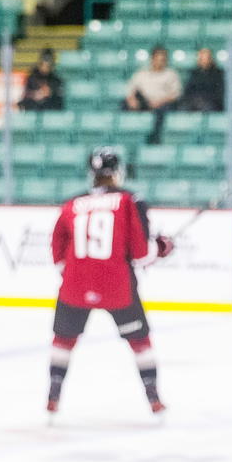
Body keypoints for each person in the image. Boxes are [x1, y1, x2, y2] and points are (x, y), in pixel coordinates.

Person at [47, 147, 174, 418]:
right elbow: (141, 254)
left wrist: (75, 272)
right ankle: (153, 397)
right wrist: (161, 247)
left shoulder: (72, 203)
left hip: (75, 284)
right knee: (139, 340)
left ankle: (53, 395)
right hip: (117, 285)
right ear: (117, 172)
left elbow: (57, 249)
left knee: (63, 340)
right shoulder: (130, 200)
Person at [122, 46, 182, 112]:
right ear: (152, 59)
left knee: (165, 109)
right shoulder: (141, 73)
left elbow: (176, 94)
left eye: (162, 60)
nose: (160, 63)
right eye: (157, 60)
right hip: (144, 102)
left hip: (162, 104)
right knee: (126, 104)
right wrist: (132, 99)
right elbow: (131, 88)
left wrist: (159, 102)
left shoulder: (171, 74)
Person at [180, 46, 226, 112]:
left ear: (211, 59)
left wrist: (203, 99)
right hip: (194, 102)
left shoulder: (218, 74)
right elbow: (188, 91)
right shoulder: (193, 73)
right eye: (200, 57)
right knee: (183, 107)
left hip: (211, 103)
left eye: (205, 57)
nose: (202, 59)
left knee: (205, 106)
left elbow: (218, 93)